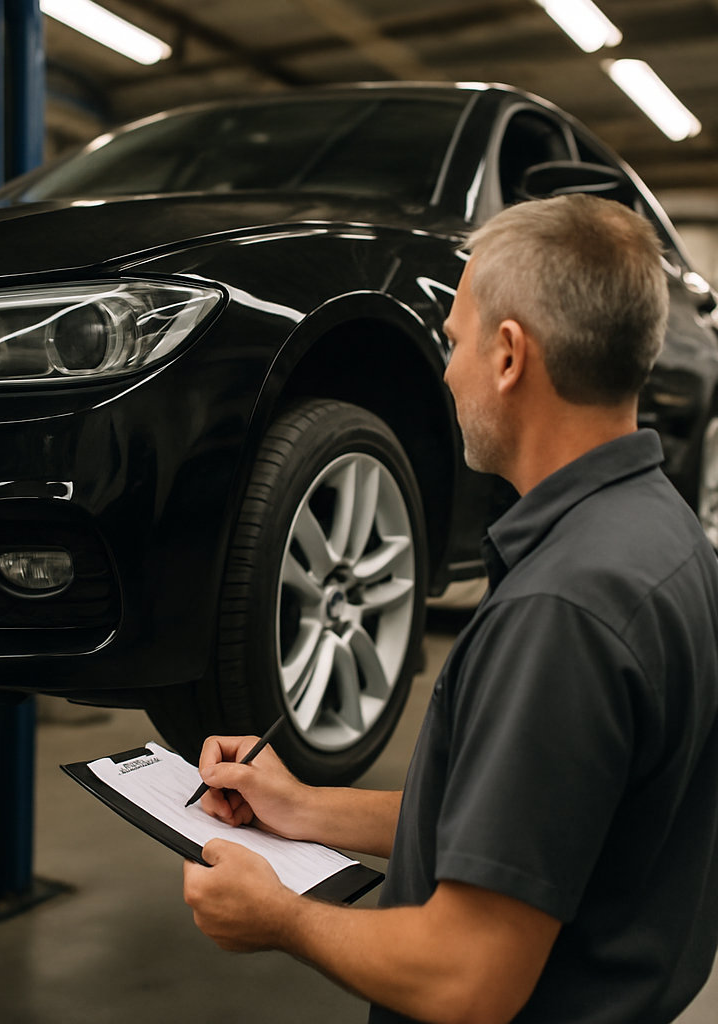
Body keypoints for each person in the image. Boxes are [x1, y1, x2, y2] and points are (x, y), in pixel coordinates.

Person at [182, 193, 718, 1024]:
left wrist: (279, 916)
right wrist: (304, 808)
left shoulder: (563, 609)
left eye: (455, 341)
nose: (445, 370)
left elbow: (466, 977)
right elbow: (519, 819)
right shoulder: (666, 537)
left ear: (508, 356)